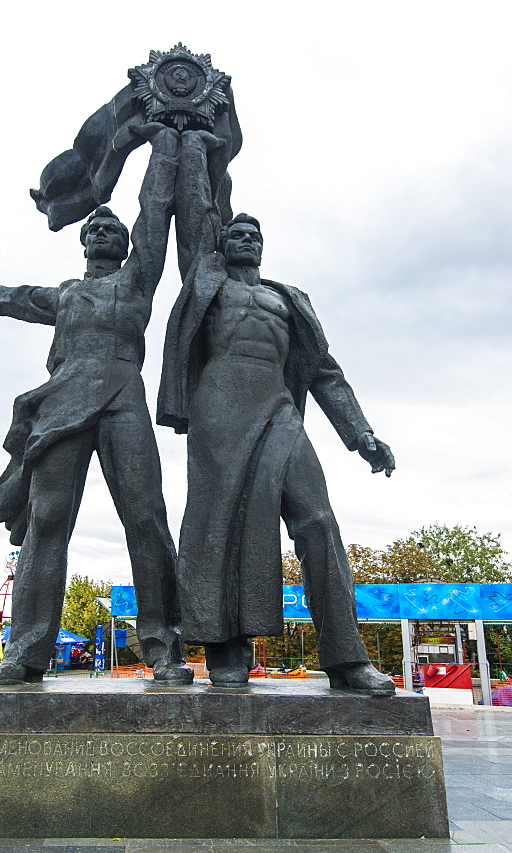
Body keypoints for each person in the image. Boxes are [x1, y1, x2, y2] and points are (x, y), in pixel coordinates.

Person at [158, 145, 396, 693]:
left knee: (318, 520)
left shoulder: (290, 300)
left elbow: (325, 374)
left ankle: (345, 657)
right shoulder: (208, 286)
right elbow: (196, 210)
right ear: (222, 243)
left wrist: (361, 435)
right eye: (238, 232)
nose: (247, 238)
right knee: (218, 526)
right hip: (219, 411)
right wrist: (195, 146)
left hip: (279, 411)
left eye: (256, 235)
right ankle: (225, 650)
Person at [0, 124, 192, 685]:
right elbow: (23, 298)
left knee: (146, 518)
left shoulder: (138, 281)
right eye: (94, 226)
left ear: (123, 245)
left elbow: (154, 211)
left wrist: (163, 147)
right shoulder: (67, 293)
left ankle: (164, 647)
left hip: (122, 398)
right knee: (48, 523)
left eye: (110, 227)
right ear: (83, 243)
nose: (102, 230)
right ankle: (25, 653)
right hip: (63, 400)